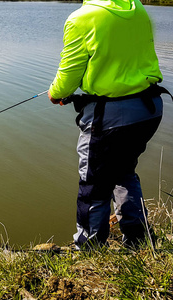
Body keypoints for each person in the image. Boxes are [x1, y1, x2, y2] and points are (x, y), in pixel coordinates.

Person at [47, 0, 172, 249]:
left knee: (94, 183)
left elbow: (69, 73)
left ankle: (89, 248)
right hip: (148, 109)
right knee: (123, 172)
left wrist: (56, 93)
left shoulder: (81, 18)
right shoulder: (136, 8)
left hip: (110, 117)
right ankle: (138, 240)